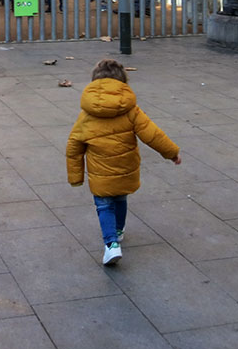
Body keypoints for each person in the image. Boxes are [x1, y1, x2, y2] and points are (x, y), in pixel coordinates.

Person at [66, 58, 181, 266]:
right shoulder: (131, 110)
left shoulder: (87, 115)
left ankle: (111, 245)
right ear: (123, 84)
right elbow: (152, 135)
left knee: (104, 205)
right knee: (120, 199)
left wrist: (76, 177)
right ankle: (118, 231)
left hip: (100, 172)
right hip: (125, 168)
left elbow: (74, 147)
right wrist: (171, 153)